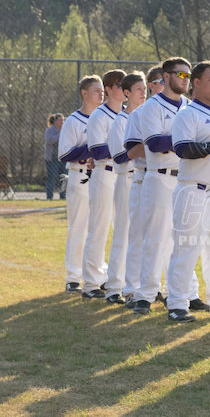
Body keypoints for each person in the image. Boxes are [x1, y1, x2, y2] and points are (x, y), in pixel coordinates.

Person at [133, 57, 209, 315]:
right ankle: (145, 294)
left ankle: (187, 293)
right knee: (156, 238)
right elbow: (155, 143)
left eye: (188, 75)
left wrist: (186, 143)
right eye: (181, 75)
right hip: (160, 177)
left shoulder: (191, 107)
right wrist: (186, 142)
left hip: (187, 178)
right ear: (166, 77)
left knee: (186, 239)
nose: (185, 80)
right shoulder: (151, 106)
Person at [165, 61, 210, 322]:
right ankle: (177, 303)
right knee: (186, 250)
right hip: (193, 189)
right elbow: (183, 148)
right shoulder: (187, 114)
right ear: (196, 83)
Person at [82, 69, 127, 300]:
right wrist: (127, 148)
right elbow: (97, 150)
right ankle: (91, 283)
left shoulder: (130, 113)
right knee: (98, 228)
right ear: (108, 89)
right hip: (104, 172)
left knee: (124, 229)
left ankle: (119, 280)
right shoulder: (99, 115)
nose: (123, 88)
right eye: (119, 85)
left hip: (123, 174)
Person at [58, 75, 104, 293]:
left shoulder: (105, 117)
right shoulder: (73, 120)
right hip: (81, 174)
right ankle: (74, 276)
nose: (101, 93)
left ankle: (98, 274)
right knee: (79, 227)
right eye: (96, 90)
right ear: (84, 93)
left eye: (102, 89)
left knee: (100, 227)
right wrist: (92, 147)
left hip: (103, 176)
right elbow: (64, 154)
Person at [122, 65, 163, 309]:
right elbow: (132, 150)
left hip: (170, 179)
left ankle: (159, 288)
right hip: (145, 176)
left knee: (166, 238)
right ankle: (132, 289)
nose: (162, 86)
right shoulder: (139, 114)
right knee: (139, 236)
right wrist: (161, 147)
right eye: (159, 81)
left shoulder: (180, 110)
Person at [105, 71, 147, 305]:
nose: (143, 92)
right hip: (126, 178)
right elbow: (119, 156)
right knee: (123, 232)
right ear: (126, 92)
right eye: (138, 89)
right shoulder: (120, 120)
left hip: (145, 177)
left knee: (143, 235)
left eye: (144, 88)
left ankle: (140, 286)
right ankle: (114, 287)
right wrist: (146, 148)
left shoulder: (145, 116)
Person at [44, 113, 66, 200]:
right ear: (55, 121)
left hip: (63, 158)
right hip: (52, 159)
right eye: (60, 120)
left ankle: (63, 197)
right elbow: (49, 140)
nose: (62, 122)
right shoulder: (50, 130)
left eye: (63, 120)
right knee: (51, 178)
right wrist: (60, 134)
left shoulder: (65, 130)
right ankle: (49, 197)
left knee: (63, 178)